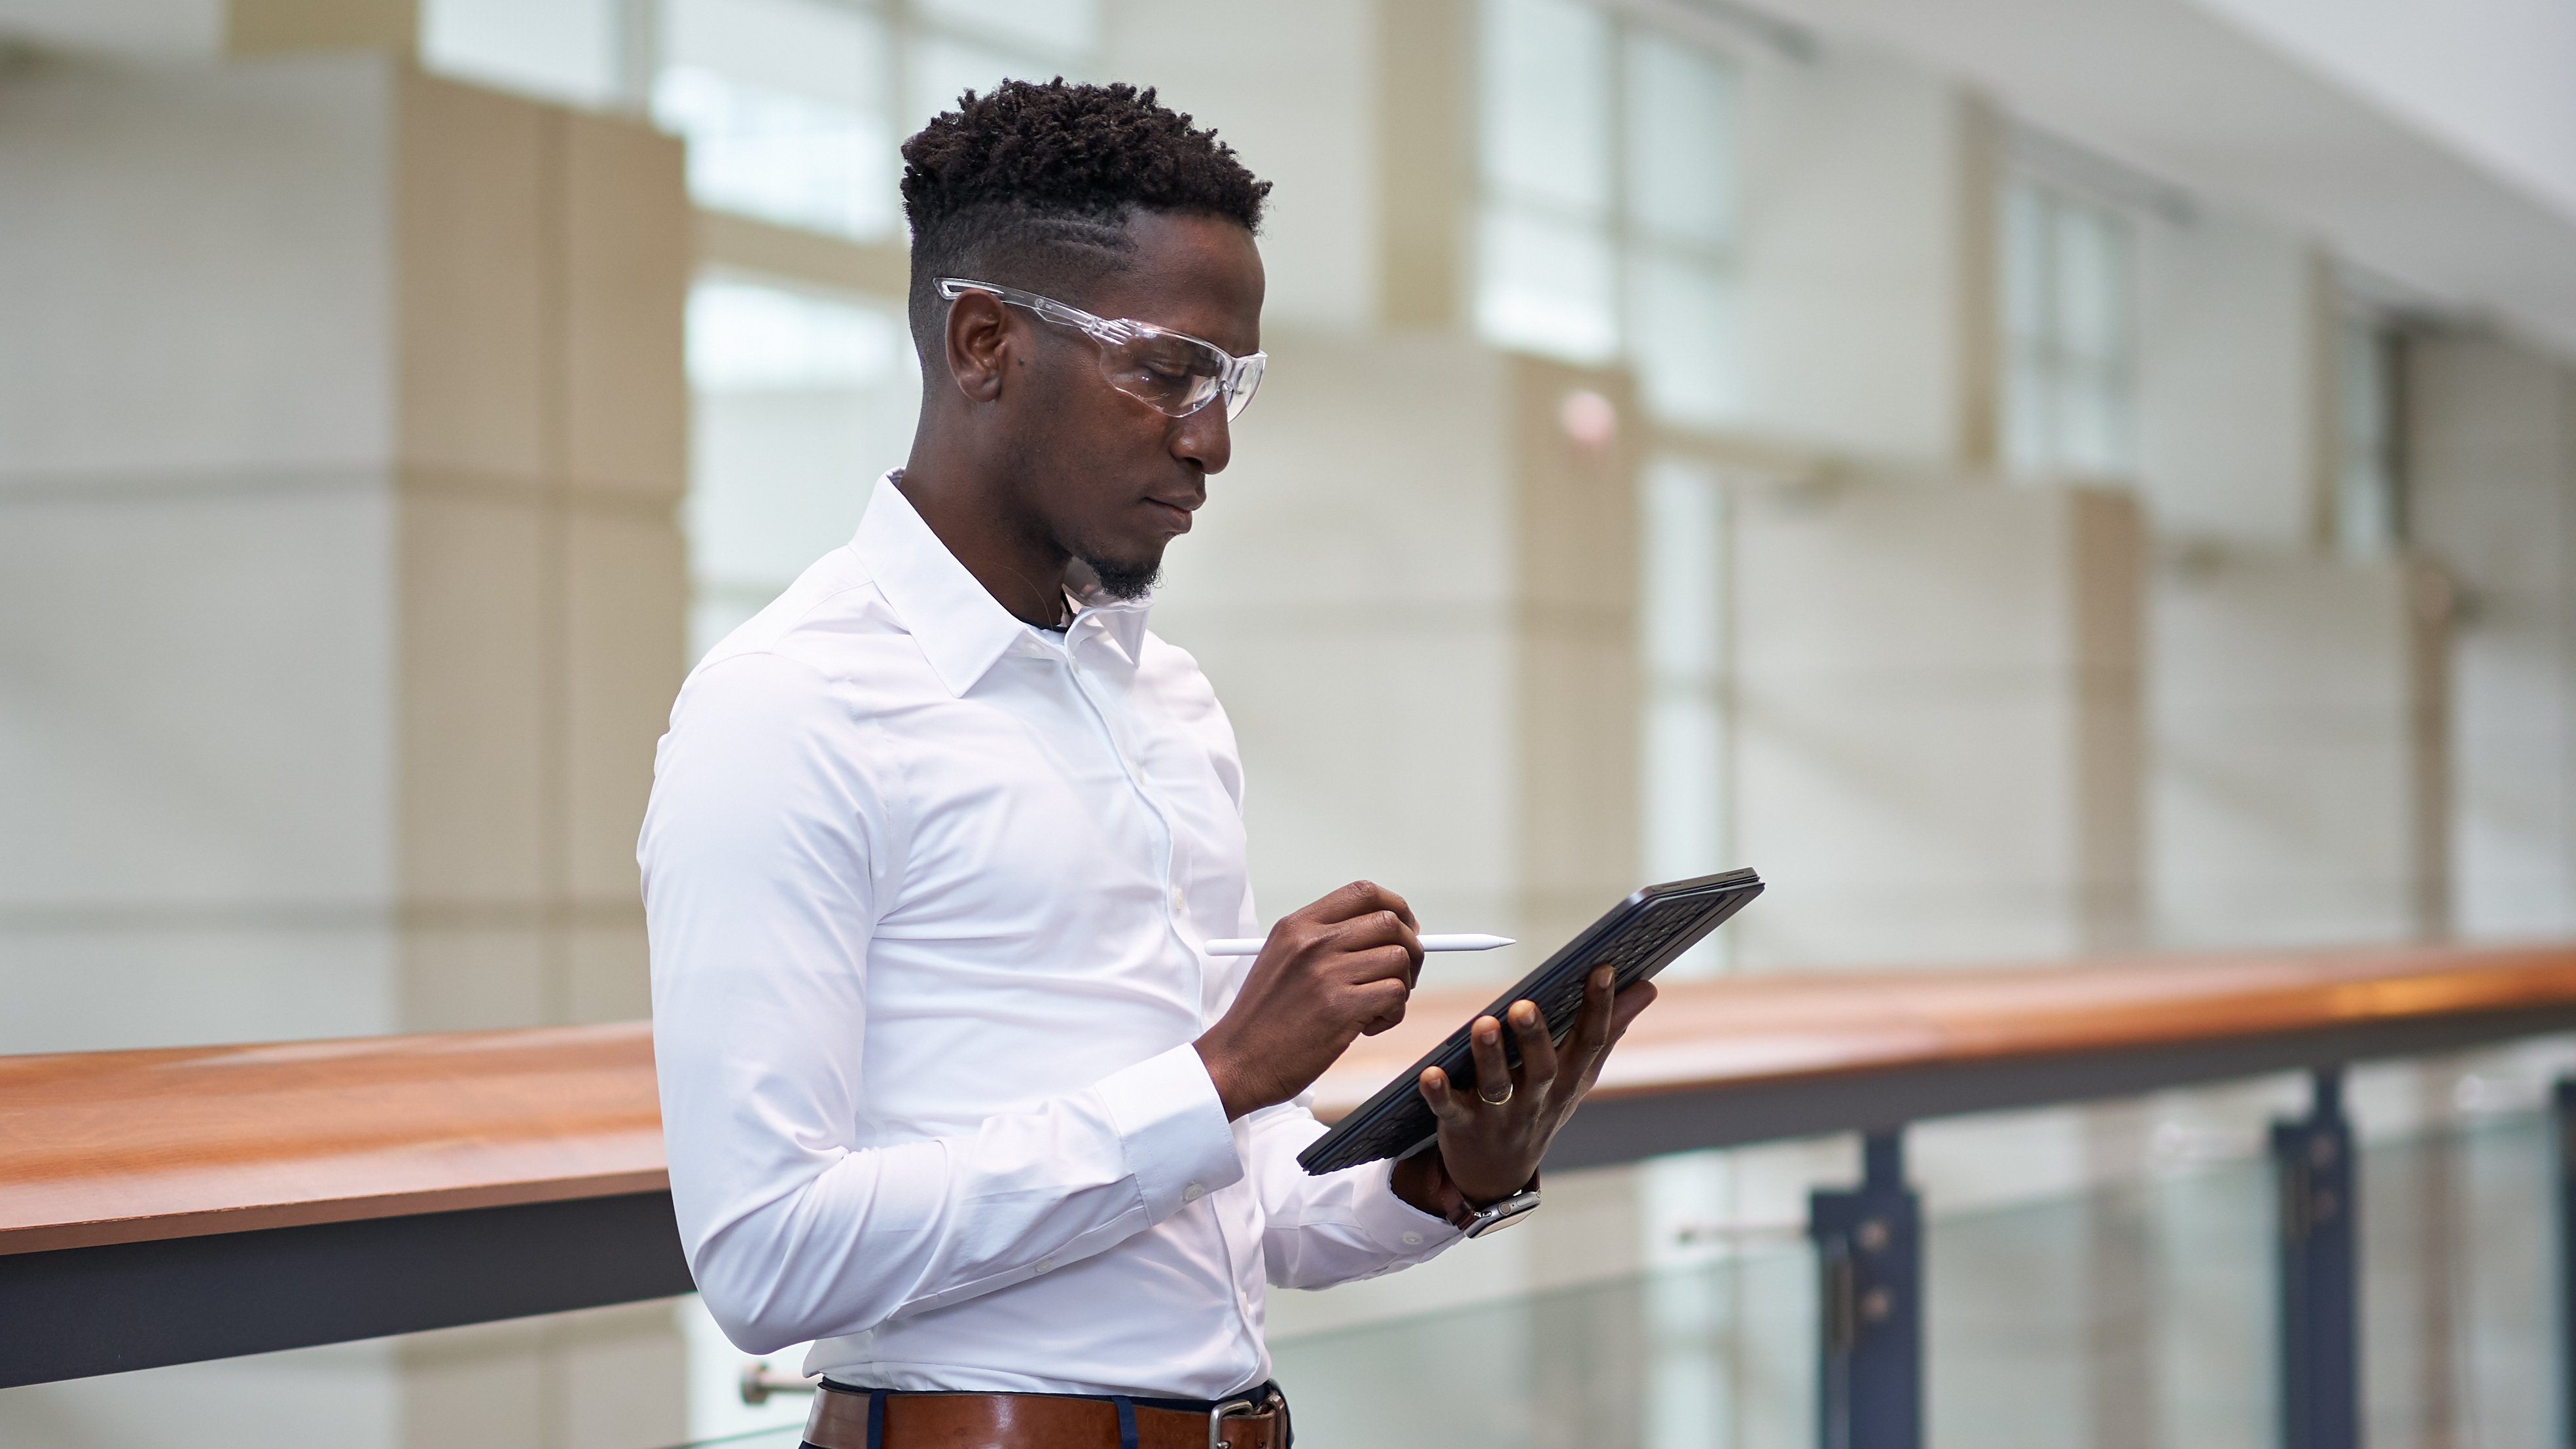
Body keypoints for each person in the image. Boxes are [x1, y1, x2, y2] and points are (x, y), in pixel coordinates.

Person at [640, 79, 1659, 1449]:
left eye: (1232, 383)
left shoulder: (1162, 702)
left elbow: (1225, 1203)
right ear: (985, 341)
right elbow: (768, 1260)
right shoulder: (791, 709)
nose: (1212, 440)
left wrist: (1451, 1174)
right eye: (1168, 372)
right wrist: (1224, 1068)